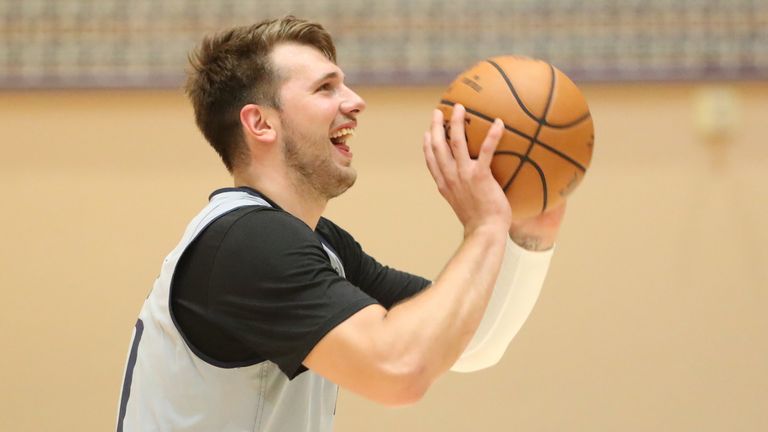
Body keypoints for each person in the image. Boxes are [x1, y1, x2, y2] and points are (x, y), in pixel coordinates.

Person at [116, 16, 566, 432]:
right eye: (326, 88)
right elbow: (398, 372)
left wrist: (528, 235)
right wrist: (484, 229)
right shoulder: (248, 242)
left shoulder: (313, 242)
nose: (355, 101)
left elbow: (470, 341)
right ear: (260, 123)